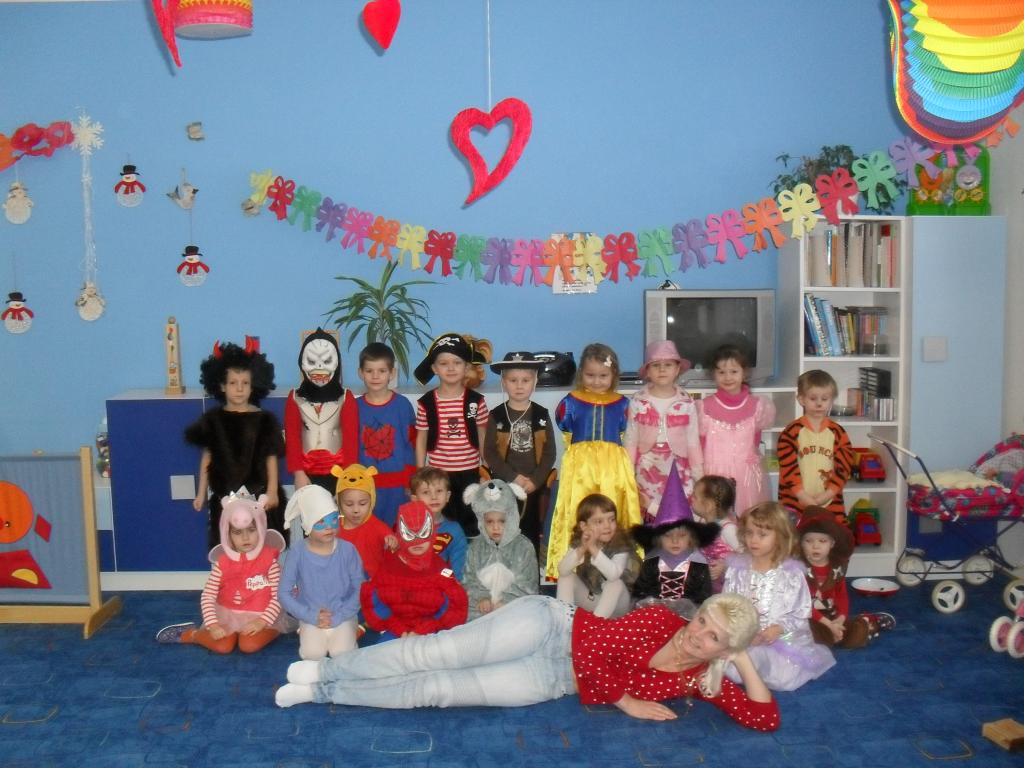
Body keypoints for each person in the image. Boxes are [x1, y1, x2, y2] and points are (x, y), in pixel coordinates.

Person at [275, 592, 781, 733]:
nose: (696, 635)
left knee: (436, 690)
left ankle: (321, 691)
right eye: (702, 621)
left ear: (723, 652)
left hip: (552, 678)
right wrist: (626, 700)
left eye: (714, 639)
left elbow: (764, 718)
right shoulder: (657, 621)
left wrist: (743, 658)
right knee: (429, 651)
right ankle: (329, 669)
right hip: (554, 627)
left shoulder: (701, 679)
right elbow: (592, 652)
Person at [545, 343, 641, 579]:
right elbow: (566, 431)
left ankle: (613, 565)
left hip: (612, 467)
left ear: (613, 375)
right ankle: (577, 565)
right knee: (579, 508)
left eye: (603, 376)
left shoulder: (623, 404)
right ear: (581, 374)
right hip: (581, 467)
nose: (596, 381)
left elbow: (626, 434)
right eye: (590, 375)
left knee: (610, 507)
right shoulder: (570, 402)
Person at [156, 489, 291, 653]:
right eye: (237, 532)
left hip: (262, 614)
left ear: (261, 529)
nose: (245, 538)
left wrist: (262, 622)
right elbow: (208, 595)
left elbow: (278, 596)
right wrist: (212, 625)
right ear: (228, 534)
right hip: (229, 614)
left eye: (251, 530)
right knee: (223, 647)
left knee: (248, 646)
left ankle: (272, 629)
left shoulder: (269, 560)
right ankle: (192, 634)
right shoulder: (223, 562)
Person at [185, 338, 287, 548]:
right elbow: (207, 458)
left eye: (245, 383)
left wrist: (272, 491)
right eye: (233, 383)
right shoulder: (213, 420)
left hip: (259, 497)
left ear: (254, 385)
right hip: (225, 498)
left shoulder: (264, 419)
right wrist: (201, 492)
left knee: (261, 547)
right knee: (227, 545)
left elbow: (271, 457)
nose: (239, 389)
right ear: (222, 385)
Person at [723, 501, 835, 691]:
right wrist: (744, 634)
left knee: (782, 680)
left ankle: (754, 666)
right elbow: (727, 606)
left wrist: (778, 629)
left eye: (762, 535)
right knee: (729, 666)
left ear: (780, 537)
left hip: (781, 639)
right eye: (749, 533)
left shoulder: (790, 574)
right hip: (745, 637)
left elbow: (800, 612)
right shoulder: (738, 570)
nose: (753, 540)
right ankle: (748, 664)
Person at [414, 332, 490, 538]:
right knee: (442, 522)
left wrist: (486, 470)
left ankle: (470, 553)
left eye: (457, 363)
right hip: (439, 475)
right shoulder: (426, 403)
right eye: (444, 363)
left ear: (467, 367)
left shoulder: (476, 401)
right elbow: (421, 438)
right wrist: (420, 472)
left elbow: (483, 435)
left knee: (471, 521)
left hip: (470, 472)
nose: (450, 368)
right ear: (434, 368)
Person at [359, 500, 468, 641]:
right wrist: (398, 629)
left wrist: (426, 628)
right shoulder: (388, 566)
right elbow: (375, 601)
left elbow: (455, 607)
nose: (417, 541)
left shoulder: (441, 570)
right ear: (400, 533)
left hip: (431, 633)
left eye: (424, 533)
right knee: (384, 653)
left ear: (432, 532)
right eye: (409, 534)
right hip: (395, 631)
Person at [483, 351, 556, 556]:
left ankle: (529, 569)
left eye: (525, 380)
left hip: (532, 485)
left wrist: (535, 480)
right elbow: (490, 452)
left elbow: (549, 452)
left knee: (530, 531)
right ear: (504, 382)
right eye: (513, 380)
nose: (519, 385)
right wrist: (513, 477)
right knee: (503, 529)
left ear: (535, 381)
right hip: (504, 485)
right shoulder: (497, 415)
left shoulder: (541, 415)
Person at [280, 484, 364, 659]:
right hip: (311, 615)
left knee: (341, 653)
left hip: (343, 614)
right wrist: (310, 616)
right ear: (307, 525)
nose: (329, 527)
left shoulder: (348, 550)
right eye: (320, 522)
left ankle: (351, 630)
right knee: (312, 654)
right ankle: (309, 632)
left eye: (333, 520)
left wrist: (340, 615)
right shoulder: (297, 552)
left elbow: (360, 588)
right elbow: (284, 594)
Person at [623, 340, 703, 522]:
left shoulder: (687, 402)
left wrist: (699, 474)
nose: (662, 370)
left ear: (677, 369)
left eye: (668, 365)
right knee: (649, 508)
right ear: (648, 371)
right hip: (648, 466)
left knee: (677, 510)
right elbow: (631, 440)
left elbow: (693, 441)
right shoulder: (638, 402)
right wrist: (627, 472)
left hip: (679, 467)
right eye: (656, 365)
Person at [695, 345, 776, 517]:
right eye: (721, 372)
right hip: (715, 475)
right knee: (717, 520)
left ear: (744, 373)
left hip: (746, 478)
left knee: (748, 518)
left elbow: (755, 440)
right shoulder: (704, 407)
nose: (728, 377)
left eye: (733, 371)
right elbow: (700, 445)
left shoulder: (758, 406)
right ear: (713, 374)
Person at [797, 507, 896, 649]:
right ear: (801, 543)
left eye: (822, 541)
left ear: (832, 543)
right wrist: (828, 624)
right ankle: (833, 634)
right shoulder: (797, 569)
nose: (815, 546)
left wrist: (841, 618)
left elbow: (842, 595)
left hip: (832, 615)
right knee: (814, 639)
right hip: (809, 617)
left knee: (855, 636)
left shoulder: (836, 567)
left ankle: (870, 621)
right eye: (808, 541)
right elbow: (801, 604)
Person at [630, 460, 719, 606]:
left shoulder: (698, 563)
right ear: (659, 538)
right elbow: (640, 592)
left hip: (688, 616)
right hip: (655, 614)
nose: (675, 541)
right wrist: (649, 605)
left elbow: (703, 597)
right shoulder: (652, 562)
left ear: (691, 537)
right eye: (668, 536)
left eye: (682, 536)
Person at [777, 369, 857, 527]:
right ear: (801, 399)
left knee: (833, 535)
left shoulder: (838, 432)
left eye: (824, 399)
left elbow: (844, 467)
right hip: (795, 500)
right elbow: (788, 468)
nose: (819, 403)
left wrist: (828, 494)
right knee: (793, 537)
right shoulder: (791, 432)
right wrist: (802, 495)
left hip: (830, 500)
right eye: (813, 398)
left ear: (831, 400)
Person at [284, 328, 359, 494]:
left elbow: (351, 441)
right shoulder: (294, 398)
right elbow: (292, 439)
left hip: (339, 474)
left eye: (327, 360)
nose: (319, 367)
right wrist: (298, 473)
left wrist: (348, 476)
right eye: (311, 361)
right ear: (302, 363)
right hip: (306, 475)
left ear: (337, 363)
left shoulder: (346, 398)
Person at [355, 342, 416, 528]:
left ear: (392, 373)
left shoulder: (402, 405)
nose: (375, 376)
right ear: (360, 373)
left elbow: (411, 444)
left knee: (398, 533)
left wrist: (410, 479)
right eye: (369, 371)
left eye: (382, 371)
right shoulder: (354, 407)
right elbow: (349, 446)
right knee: (369, 533)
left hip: (398, 486)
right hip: (365, 486)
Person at [462, 478, 539, 620]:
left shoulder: (523, 547)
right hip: (481, 611)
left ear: (511, 518)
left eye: (502, 521)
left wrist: (506, 602)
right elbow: (469, 580)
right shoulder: (475, 547)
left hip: (513, 609)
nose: (495, 527)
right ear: (481, 520)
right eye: (489, 521)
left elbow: (528, 585)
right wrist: (481, 598)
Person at [556, 494, 641, 619]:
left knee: (615, 583)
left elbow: (613, 574)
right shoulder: (580, 541)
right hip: (593, 601)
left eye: (611, 519)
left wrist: (593, 549)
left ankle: (594, 626)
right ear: (584, 526)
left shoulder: (621, 544)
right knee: (566, 577)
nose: (607, 526)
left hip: (620, 606)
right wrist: (582, 548)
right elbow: (562, 570)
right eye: (599, 521)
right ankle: (565, 622)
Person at [332, 462, 396, 578]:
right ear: (339, 503)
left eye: (362, 503)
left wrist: (392, 542)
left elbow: (394, 542)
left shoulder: (376, 526)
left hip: (372, 581)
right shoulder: (335, 526)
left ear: (372, 500)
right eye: (349, 504)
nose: (356, 510)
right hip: (344, 581)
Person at [409, 466, 468, 580]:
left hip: (440, 582)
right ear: (415, 499)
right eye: (426, 492)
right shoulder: (406, 528)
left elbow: (459, 569)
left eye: (439, 491)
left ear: (447, 496)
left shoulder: (454, 530)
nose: (434, 497)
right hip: (411, 581)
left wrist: (451, 583)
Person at [691, 474, 741, 589]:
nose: (691, 498)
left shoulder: (728, 529)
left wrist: (726, 566)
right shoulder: (701, 523)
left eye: (695, 496)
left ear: (708, 506)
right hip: (708, 585)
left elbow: (747, 556)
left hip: (727, 586)